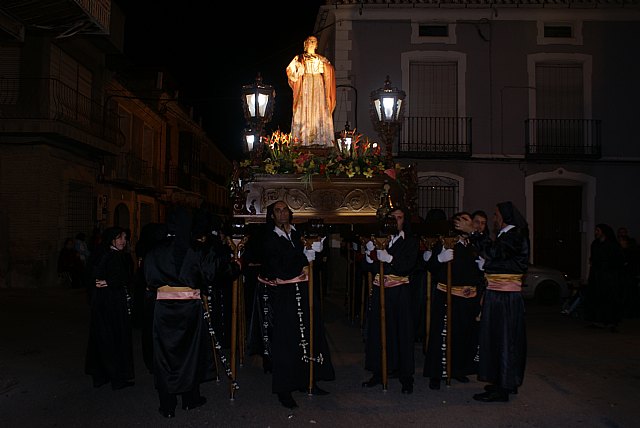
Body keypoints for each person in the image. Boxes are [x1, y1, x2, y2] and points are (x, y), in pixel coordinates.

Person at [258, 200, 335, 409]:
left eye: (285, 210)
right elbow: (278, 266)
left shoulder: (298, 233)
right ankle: (285, 388)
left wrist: (316, 251)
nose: (282, 213)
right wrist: (305, 256)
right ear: (272, 215)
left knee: (310, 334)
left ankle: (308, 379)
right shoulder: (269, 238)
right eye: (278, 210)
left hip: (304, 290)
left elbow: (317, 261)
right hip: (285, 293)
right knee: (286, 340)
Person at [143, 207, 218, 418]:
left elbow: (148, 278)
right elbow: (209, 276)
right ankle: (190, 398)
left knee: (164, 355)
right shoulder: (197, 249)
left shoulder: (155, 250)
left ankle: (167, 405)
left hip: (163, 310)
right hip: (189, 310)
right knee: (190, 354)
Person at [456, 201, 529, 403]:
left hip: (504, 296)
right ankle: (504, 381)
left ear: (504, 216)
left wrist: (474, 233)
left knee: (503, 340)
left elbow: (494, 253)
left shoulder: (514, 234)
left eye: (496, 214)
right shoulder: (508, 235)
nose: (494, 218)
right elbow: (499, 258)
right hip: (499, 294)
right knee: (500, 340)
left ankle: (503, 388)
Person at [362, 206, 419, 394]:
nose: (396, 221)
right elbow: (369, 269)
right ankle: (380, 371)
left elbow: (408, 266)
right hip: (381, 291)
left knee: (403, 331)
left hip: (400, 291)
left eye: (399, 217)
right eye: (392, 217)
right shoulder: (379, 240)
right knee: (379, 331)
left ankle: (406, 376)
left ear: (405, 220)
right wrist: (370, 258)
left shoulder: (410, 241)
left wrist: (390, 259)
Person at [423, 212, 483, 390]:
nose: (467, 223)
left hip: (469, 299)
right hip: (448, 296)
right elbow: (431, 266)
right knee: (442, 337)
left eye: (469, 220)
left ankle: (457, 370)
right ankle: (437, 373)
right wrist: (439, 259)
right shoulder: (446, 242)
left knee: (463, 336)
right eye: (463, 220)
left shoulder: (475, 244)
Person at [84, 227, 135, 391]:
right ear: (111, 239)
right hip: (110, 304)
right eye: (119, 237)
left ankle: (102, 376)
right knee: (112, 338)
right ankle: (114, 378)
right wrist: (107, 283)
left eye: (125, 238)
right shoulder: (108, 255)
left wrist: (108, 282)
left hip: (107, 303)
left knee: (104, 338)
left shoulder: (116, 255)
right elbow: (95, 276)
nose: (123, 241)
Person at [286, 35, 336, 147]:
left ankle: (321, 139)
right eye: (310, 41)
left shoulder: (321, 59)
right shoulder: (299, 58)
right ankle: (303, 139)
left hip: (318, 85)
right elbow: (290, 72)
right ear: (305, 44)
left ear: (317, 44)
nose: (312, 43)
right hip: (306, 84)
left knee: (319, 108)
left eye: (314, 41)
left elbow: (330, 69)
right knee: (305, 107)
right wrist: (299, 70)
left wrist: (325, 68)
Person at [584, 223, 625, 331]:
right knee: (597, 297)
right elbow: (593, 259)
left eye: (598, 230)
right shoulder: (595, 244)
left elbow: (619, 260)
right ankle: (598, 320)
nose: (596, 232)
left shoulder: (613, 245)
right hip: (597, 276)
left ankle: (611, 321)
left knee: (610, 298)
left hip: (609, 276)